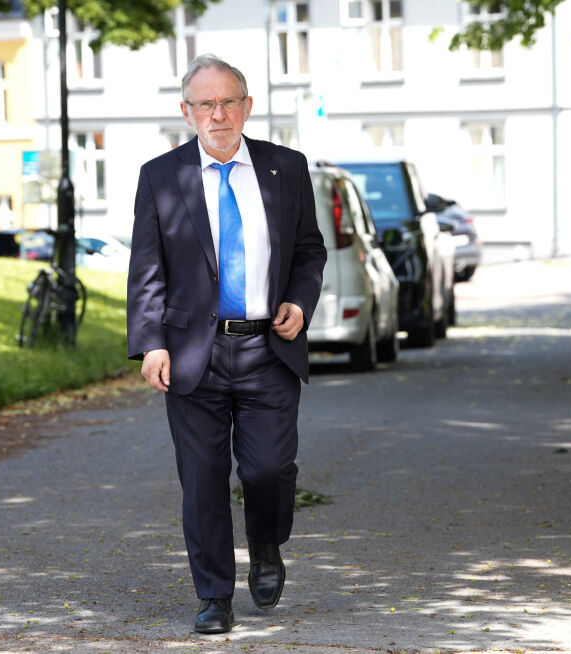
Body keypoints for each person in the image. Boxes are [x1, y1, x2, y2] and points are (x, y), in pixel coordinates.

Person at [126, 54, 326, 634]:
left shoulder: (285, 167)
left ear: (248, 106)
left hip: (270, 347)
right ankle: (213, 596)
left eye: (229, 102)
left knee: (267, 469)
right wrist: (151, 343)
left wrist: (300, 301)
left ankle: (266, 543)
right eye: (206, 104)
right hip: (194, 354)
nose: (219, 114)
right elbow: (147, 269)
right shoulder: (161, 176)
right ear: (186, 112)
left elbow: (310, 250)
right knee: (203, 479)